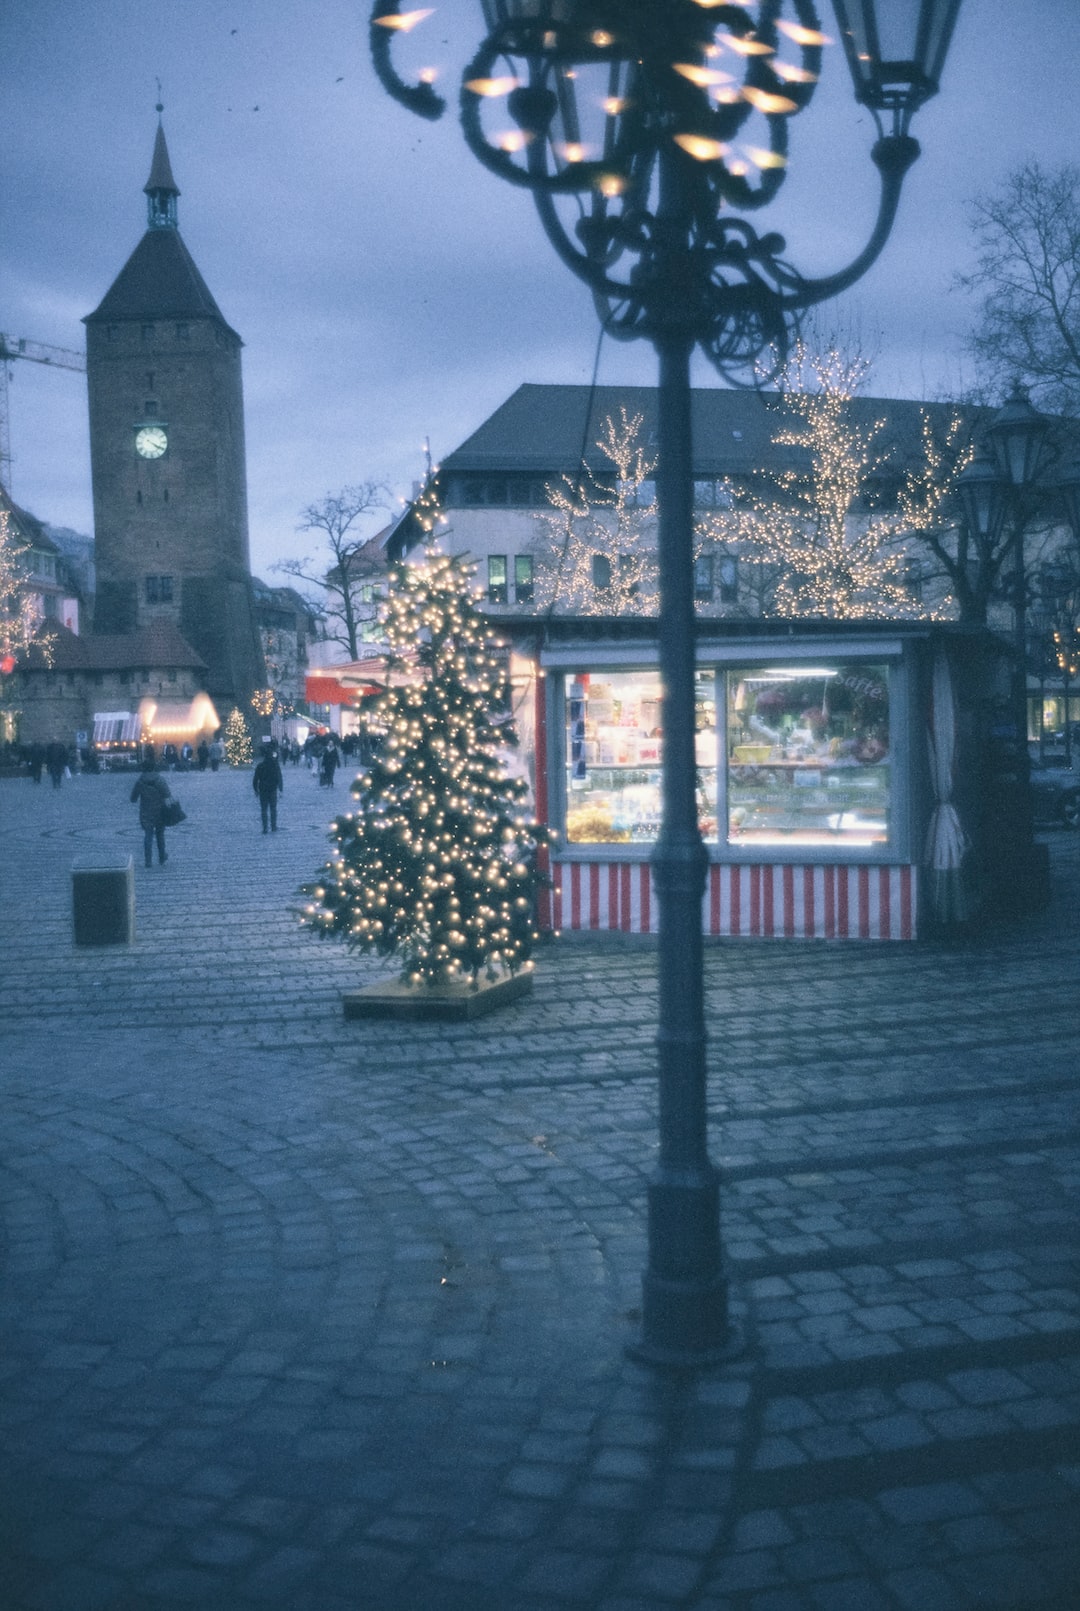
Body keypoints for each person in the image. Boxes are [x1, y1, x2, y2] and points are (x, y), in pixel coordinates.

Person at [130, 757, 173, 867]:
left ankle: (148, 860)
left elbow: (133, 799)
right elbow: (167, 794)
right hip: (160, 811)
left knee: (148, 835)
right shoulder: (160, 780)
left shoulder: (140, 781)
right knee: (160, 834)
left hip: (146, 812)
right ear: (154, 768)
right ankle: (162, 856)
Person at [253, 743, 284, 833]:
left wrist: (256, 790)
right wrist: (280, 789)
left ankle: (265, 827)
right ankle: (273, 826)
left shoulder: (260, 766)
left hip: (263, 789)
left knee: (264, 809)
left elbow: (255, 779)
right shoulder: (275, 765)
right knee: (273, 808)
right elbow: (279, 777)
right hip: (272, 789)